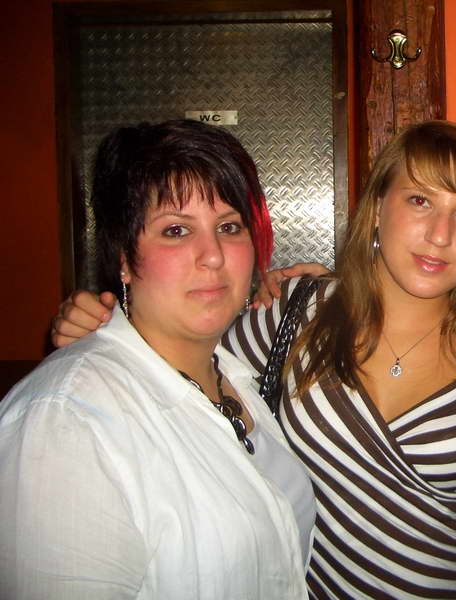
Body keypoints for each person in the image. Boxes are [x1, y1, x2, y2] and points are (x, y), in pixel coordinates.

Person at [48, 120, 456, 599]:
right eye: (420, 200)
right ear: (378, 207)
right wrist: (100, 322)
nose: (441, 234)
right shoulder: (300, 311)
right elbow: (169, 354)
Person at [0, 120, 314, 599]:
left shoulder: (236, 374)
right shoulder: (66, 423)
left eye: (229, 227)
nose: (213, 256)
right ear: (124, 259)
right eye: (176, 230)